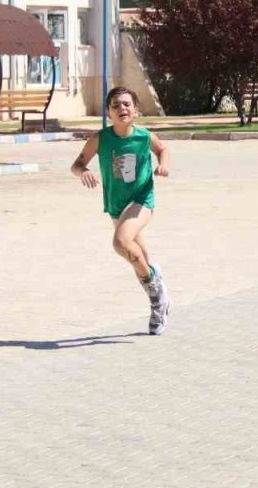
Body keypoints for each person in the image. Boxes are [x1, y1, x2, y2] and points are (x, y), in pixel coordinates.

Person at [71, 87, 172, 335]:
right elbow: (77, 164)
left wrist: (163, 166)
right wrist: (83, 172)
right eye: (116, 105)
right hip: (116, 205)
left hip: (141, 199)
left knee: (120, 242)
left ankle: (157, 296)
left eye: (127, 104)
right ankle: (158, 295)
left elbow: (162, 150)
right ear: (108, 112)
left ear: (136, 110)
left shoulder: (144, 137)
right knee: (140, 259)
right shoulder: (100, 139)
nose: (122, 109)